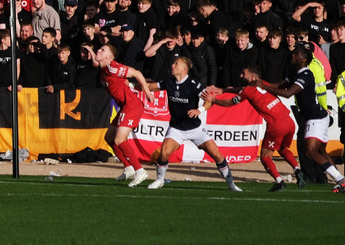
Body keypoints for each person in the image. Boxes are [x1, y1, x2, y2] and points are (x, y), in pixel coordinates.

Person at [253, 46, 344, 192]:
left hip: (316, 117)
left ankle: (340, 180)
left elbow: (288, 93)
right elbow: (278, 86)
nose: (292, 56)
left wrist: (262, 85)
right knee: (320, 152)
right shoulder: (296, 73)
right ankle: (340, 179)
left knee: (310, 151)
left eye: (295, 54)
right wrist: (260, 83)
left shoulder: (306, 74)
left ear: (303, 59)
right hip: (315, 116)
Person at [144, 56, 241, 191]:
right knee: (164, 153)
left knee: (217, 155)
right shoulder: (168, 82)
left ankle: (231, 184)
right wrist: (131, 84)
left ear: (184, 69)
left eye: (176, 64)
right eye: (173, 63)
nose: (172, 66)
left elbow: (209, 101)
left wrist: (199, 110)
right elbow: (148, 86)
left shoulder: (194, 84)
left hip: (195, 129)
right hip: (176, 128)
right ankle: (159, 180)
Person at [205, 65, 303, 191]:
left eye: (243, 73)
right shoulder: (264, 84)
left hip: (276, 124)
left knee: (265, 157)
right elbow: (241, 89)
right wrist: (223, 90)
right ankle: (297, 169)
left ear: (252, 77)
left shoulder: (248, 91)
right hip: (289, 121)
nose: (240, 76)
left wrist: (213, 100)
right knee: (283, 149)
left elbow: (230, 103)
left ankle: (280, 181)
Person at [90, 42, 151, 186]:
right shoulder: (103, 71)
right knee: (109, 137)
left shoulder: (112, 67)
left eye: (102, 49)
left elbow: (136, 73)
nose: (98, 50)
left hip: (132, 105)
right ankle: (128, 168)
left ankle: (140, 171)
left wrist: (147, 91)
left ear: (109, 56)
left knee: (119, 140)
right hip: (125, 106)